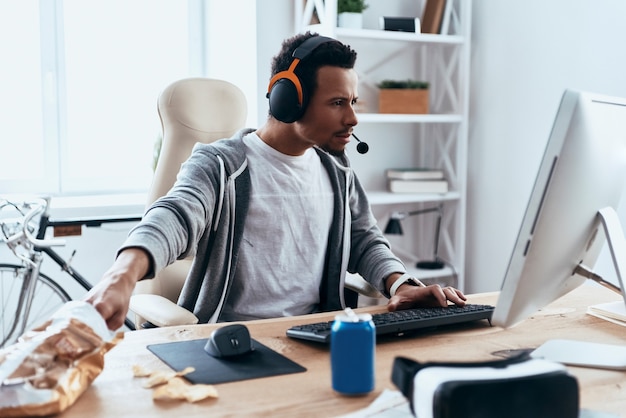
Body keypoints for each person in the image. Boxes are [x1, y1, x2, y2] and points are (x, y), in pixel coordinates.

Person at [85, 32, 466, 331]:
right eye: (337, 103)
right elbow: (174, 216)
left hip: (318, 336)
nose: (352, 118)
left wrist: (400, 284)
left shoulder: (337, 171)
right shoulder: (222, 164)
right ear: (289, 99)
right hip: (232, 342)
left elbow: (364, 239)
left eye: (353, 102)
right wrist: (122, 274)